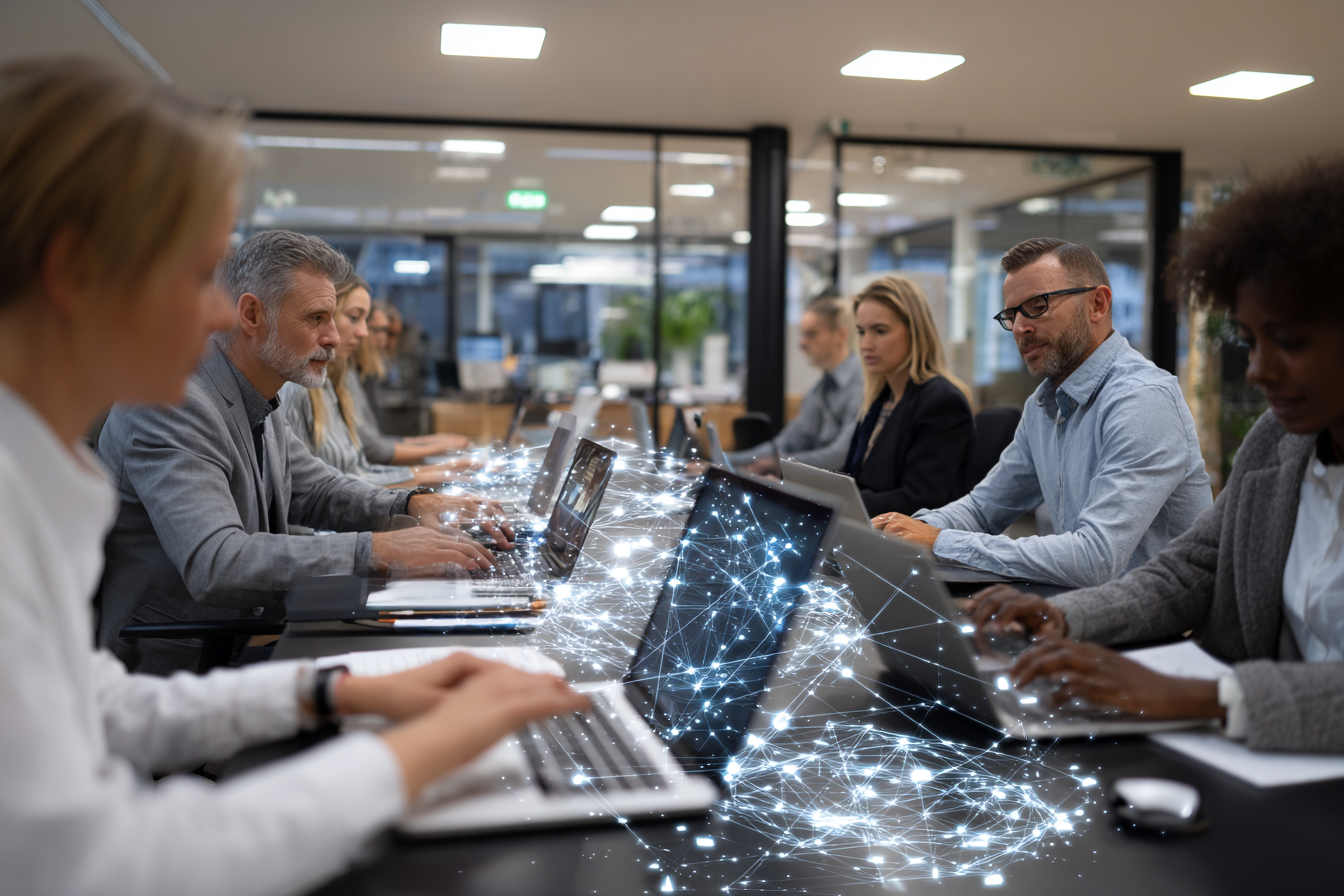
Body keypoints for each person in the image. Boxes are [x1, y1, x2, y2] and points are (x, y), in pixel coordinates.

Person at [0, 56, 585, 896]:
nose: (212, 313)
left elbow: (96, 705)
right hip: (183, 649)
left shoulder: (50, 464)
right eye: (191, 273)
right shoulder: (145, 421)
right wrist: (414, 753)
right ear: (76, 272)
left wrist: (333, 689)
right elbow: (101, 866)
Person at [969, 156, 1344, 753]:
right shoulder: (1278, 443)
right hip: (1252, 755)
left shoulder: (1141, 397)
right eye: (1249, 342)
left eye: (1291, 342)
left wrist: (1211, 699)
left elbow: (1099, 555)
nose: (1258, 371)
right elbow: (1188, 570)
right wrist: (1066, 618)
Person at [97, 228, 513, 675]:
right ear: (252, 314)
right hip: (176, 665)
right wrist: (378, 549)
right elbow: (217, 562)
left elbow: (314, 490)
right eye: (317, 318)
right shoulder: (174, 402)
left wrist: (411, 503)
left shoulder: (257, 387)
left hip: (236, 639)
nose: (334, 337)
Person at [874, 238, 1212, 588]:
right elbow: (981, 510)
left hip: (1155, 629)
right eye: (1012, 314)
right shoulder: (1044, 404)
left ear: (1097, 304)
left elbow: (1094, 559)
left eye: (1037, 306)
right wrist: (897, 529)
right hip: (1078, 608)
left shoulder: (1142, 401)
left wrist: (937, 541)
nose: (1020, 327)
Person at [280, 276, 475, 487]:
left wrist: (436, 472)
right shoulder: (297, 388)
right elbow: (312, 492)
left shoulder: (330, 385)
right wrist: (431, 474)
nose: (365, 333)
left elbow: (359, 470)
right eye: (355, 318)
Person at [840, 276, 975, 515]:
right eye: (861, 332)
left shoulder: (942, 402)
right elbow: (855, 477)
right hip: (869, 531)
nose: (866, 344)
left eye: (880, 331)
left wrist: (840, 503)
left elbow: (919, 500)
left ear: (914, 332)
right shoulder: (881, 398)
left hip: (905, 542)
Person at [731, 291, 864, 473]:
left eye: (811, 334)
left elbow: (840, 456)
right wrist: (723, 460)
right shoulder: (820, 390)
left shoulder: (861, 385)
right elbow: (786, 442)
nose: (802, 343)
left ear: (840, 336)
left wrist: (779, 463)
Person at [354, 299, 473, 464]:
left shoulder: (364, 376)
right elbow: (374, 448)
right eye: (382, 331)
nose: (387, 341)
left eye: (391, 334)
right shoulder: (352, 377)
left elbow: (377, 441)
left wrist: (435, 442)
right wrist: (437, 449)